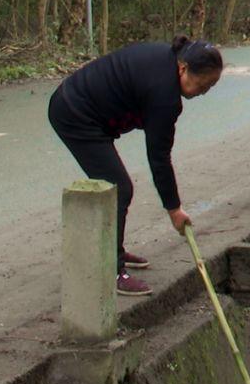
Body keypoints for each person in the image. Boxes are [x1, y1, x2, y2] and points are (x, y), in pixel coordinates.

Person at [48, 36, 223, 296]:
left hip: (83, 106)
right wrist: (174, 210)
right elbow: (159, 157)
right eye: (200, 84)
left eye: (209, 87)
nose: (202, 92)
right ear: (183, 68)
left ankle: (114, 250)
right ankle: (111, 270)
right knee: (119, 188)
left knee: (117, 186)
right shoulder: (164, 94)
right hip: (75, 113)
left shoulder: (167, 59)